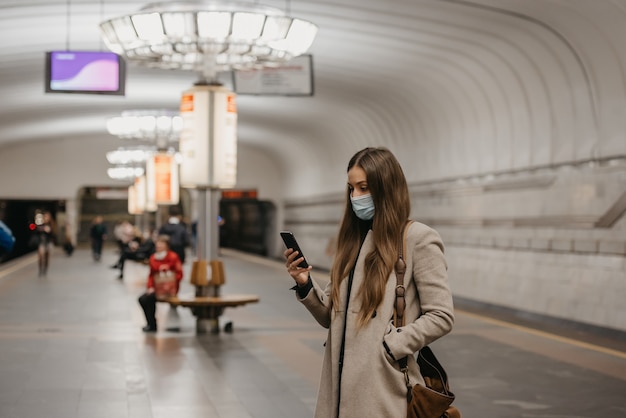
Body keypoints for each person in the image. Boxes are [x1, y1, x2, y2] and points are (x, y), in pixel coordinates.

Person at [284, 147, 455, 418]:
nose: (356, 197)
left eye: (364, 188)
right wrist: (305, 283)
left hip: (383, 391)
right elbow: (331, 316)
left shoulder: (418, 239)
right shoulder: (351, 243)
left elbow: (442, 316)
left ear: (386, 187)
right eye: (351, 189)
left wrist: (391, 346)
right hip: (336, 392)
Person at [138, 235, 183, 332]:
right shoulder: (153, 258)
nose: (158, 246)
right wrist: (150, 287)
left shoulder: (173, 257)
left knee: (150, 299)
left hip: (170, 289)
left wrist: (170, 285)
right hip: (157, 289)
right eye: (157, 244)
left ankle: (153, 325)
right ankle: (151, 323)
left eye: (161, 244)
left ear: (167, 245)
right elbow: (151, 275)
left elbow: (179, 274)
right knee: (144, 299)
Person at [33, 211, 56, 276]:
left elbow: (54, 235)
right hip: (42, 242)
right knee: (40, 256)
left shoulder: (52, 225)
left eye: (47, 217)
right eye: (45, 216)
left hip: (49, 243)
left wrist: (49, 231)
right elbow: (35, 232)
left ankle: (45, 270)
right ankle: (40, 269)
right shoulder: (41, 224)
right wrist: (41, 229)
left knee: (47, 257)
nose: (46, 218)